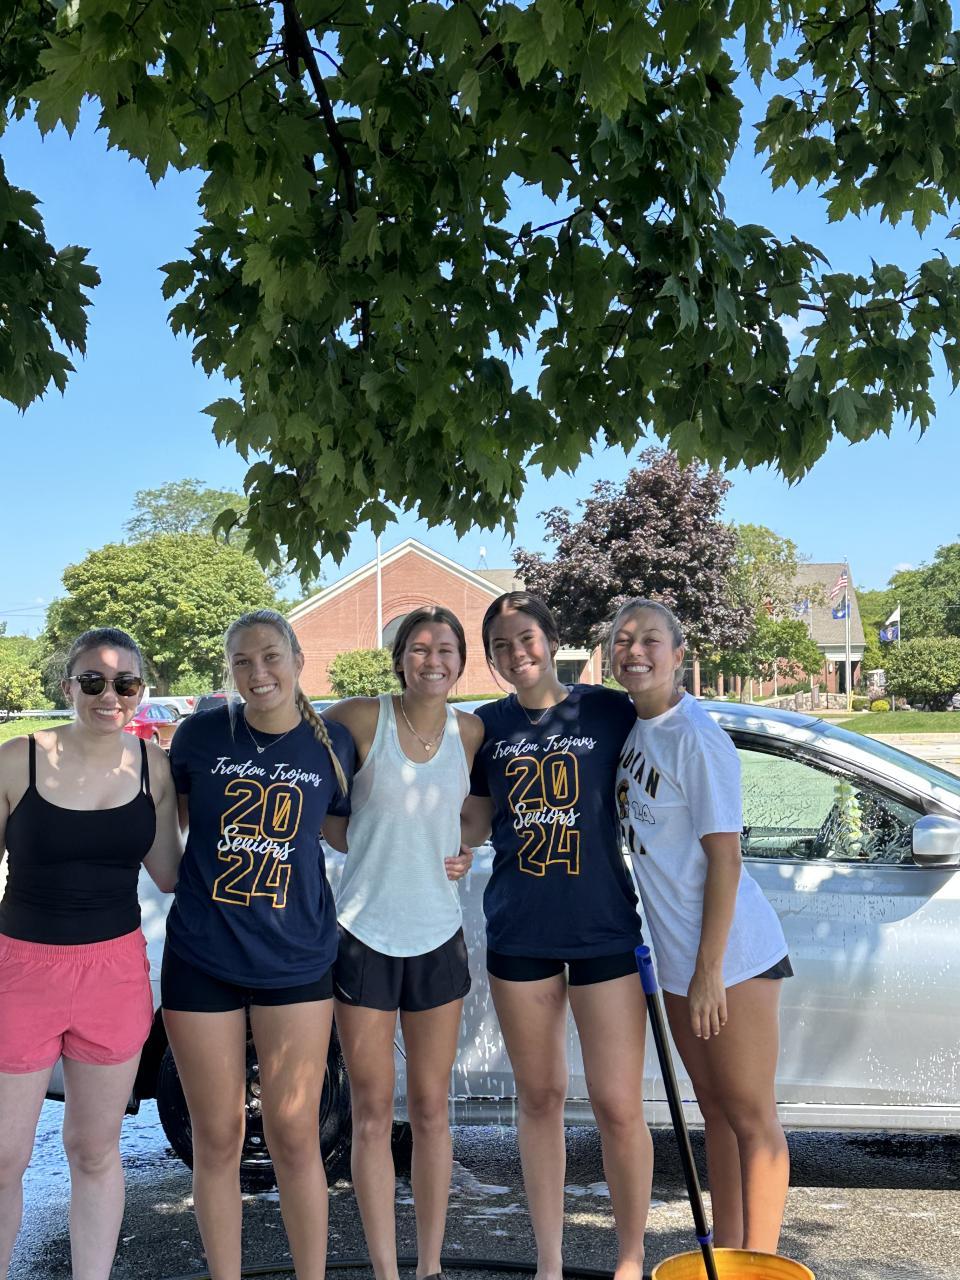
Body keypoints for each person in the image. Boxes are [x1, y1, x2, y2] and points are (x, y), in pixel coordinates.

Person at [461, 592, 651, 1280]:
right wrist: (436, 839)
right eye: (502, 646)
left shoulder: (607, 710)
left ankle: (629, 1259)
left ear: (551, 638)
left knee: (617, 1104)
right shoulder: (486, 727)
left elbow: (668, 755)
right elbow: (472, 820)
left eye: (527, 639)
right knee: (539, 1099)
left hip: (604, 928)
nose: (517, 654)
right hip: (521, 930)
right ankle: (548, 1262)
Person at [161, 609, 354, 1280]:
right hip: (202, 955)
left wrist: (445, 849)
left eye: (271, 656)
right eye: (242, 661)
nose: (258, 672)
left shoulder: (333, 745)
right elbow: (166, 818)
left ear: (299, 659)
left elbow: (349, 833)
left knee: (295, 1135)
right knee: (216, 1138)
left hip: (296, 958)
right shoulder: (201, 734)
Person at [610, 597, 791, 1252]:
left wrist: (710, 970)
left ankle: (760, 1264)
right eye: (622, 639)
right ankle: (730, 1253)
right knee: (714, 1111)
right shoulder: (636, 732)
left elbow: (726, 858)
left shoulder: (697, 737)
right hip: (681, 962)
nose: (635, 650)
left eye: (650, 639)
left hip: (732, 957)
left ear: (679, 655)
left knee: (751, 1118)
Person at [0, 627, 181, 1280]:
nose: (111, 695)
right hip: (21, 971)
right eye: (94, 681)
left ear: (141, 691)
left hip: (114, 974)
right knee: (4, 1157)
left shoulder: (153, 767)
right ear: (68, 686)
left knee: (95, 1150)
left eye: (126, 683)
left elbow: (171, 873)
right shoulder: (16, 760)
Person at [323, 606, 482, 1280]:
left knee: (431, 1110)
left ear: (461, 660)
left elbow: (476, 812)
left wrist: (464, 845)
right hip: (364, 932)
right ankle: (386, 1269)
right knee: (371, 1112)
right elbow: (319, 804)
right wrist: (361, 840)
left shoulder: (470, 731)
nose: (432, 660)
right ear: (399, 659)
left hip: (437, 935)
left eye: (445, 649)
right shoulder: (362, 718)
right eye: (419, 648)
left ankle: (430, 1267)